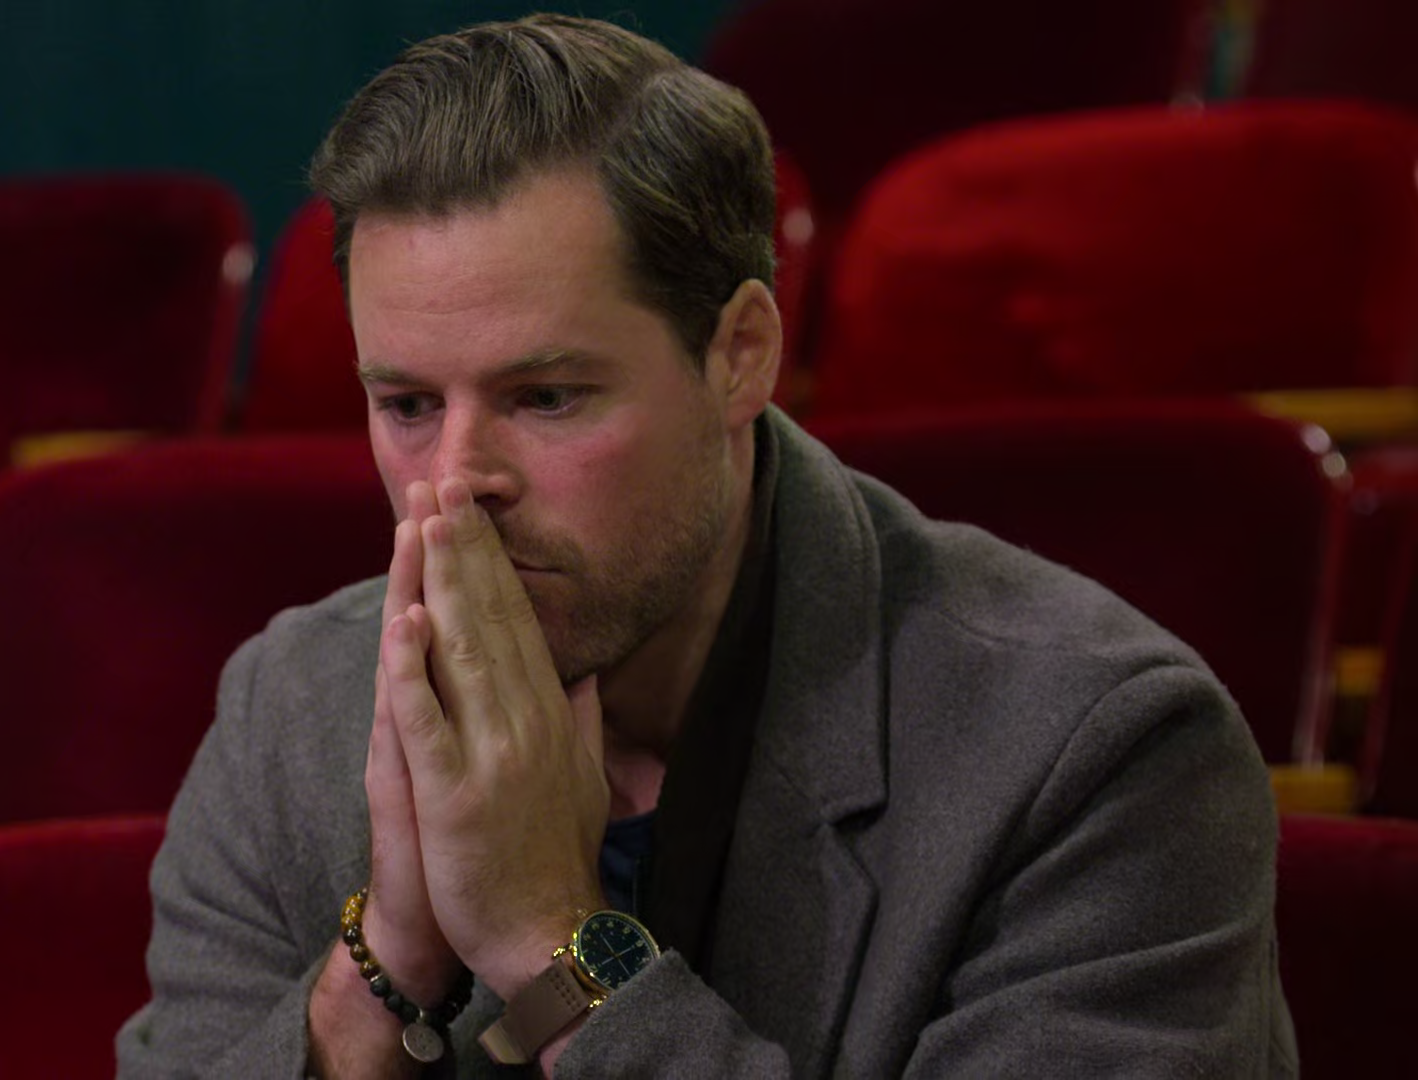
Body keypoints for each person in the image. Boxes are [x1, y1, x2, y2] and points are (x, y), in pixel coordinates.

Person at [117, 14, 1295, 1078]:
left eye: (548, 396)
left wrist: (553, 944)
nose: (456, 482)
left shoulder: (1095, 753)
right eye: (409, 404)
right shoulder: (288, 708)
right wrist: (383, 968)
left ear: (741, 355)